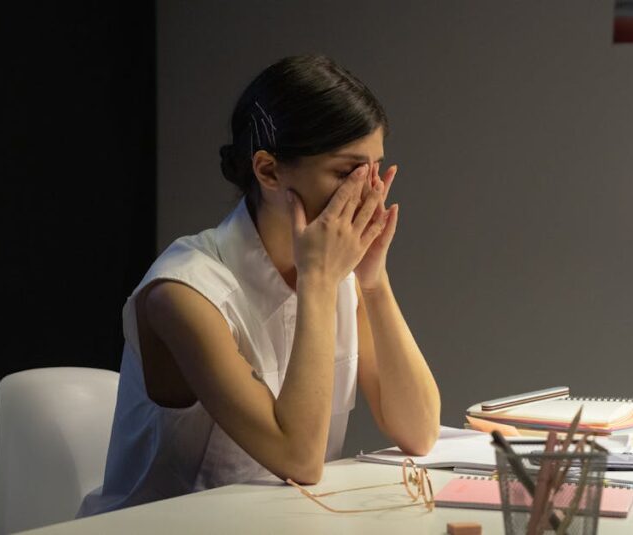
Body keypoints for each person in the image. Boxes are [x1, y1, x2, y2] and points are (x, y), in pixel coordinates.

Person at [78, 54, 441, 516]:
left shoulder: (339, 276)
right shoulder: (183, 291)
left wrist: (373, 281)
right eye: (346, 172)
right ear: (268, 171)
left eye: (375, 170)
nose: (368, 192)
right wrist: (318, 282)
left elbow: (419, 429)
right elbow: (299, 459)